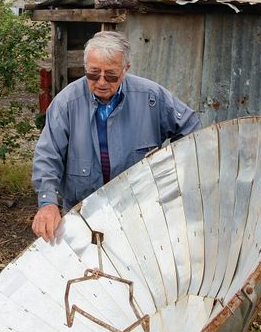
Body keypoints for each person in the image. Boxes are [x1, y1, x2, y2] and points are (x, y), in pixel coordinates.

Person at [31, 31, 201, 241]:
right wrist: (47, 202)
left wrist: (171, 173)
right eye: (93, 74)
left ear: (125, 69)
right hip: (82, 211)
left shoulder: (151, 97)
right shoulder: (66, 103)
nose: (101, 82)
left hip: (138, 210)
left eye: (111, 75)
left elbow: (190, 128)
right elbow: (48, 155)